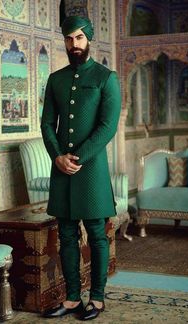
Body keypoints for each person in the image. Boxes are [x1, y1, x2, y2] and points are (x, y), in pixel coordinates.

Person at [41, 15, 121, 321]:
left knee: (97, 234)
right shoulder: (56, 80)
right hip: (61, 168)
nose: (74, 44)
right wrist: (57, 156)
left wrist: (77, 157)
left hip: (91, 170)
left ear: (88, 39)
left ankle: (97, 299)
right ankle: (73, 299)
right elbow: (47, 123)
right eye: (69, 39)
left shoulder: (105, 77)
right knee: (66, 233)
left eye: (79, 38)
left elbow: (107, 126)